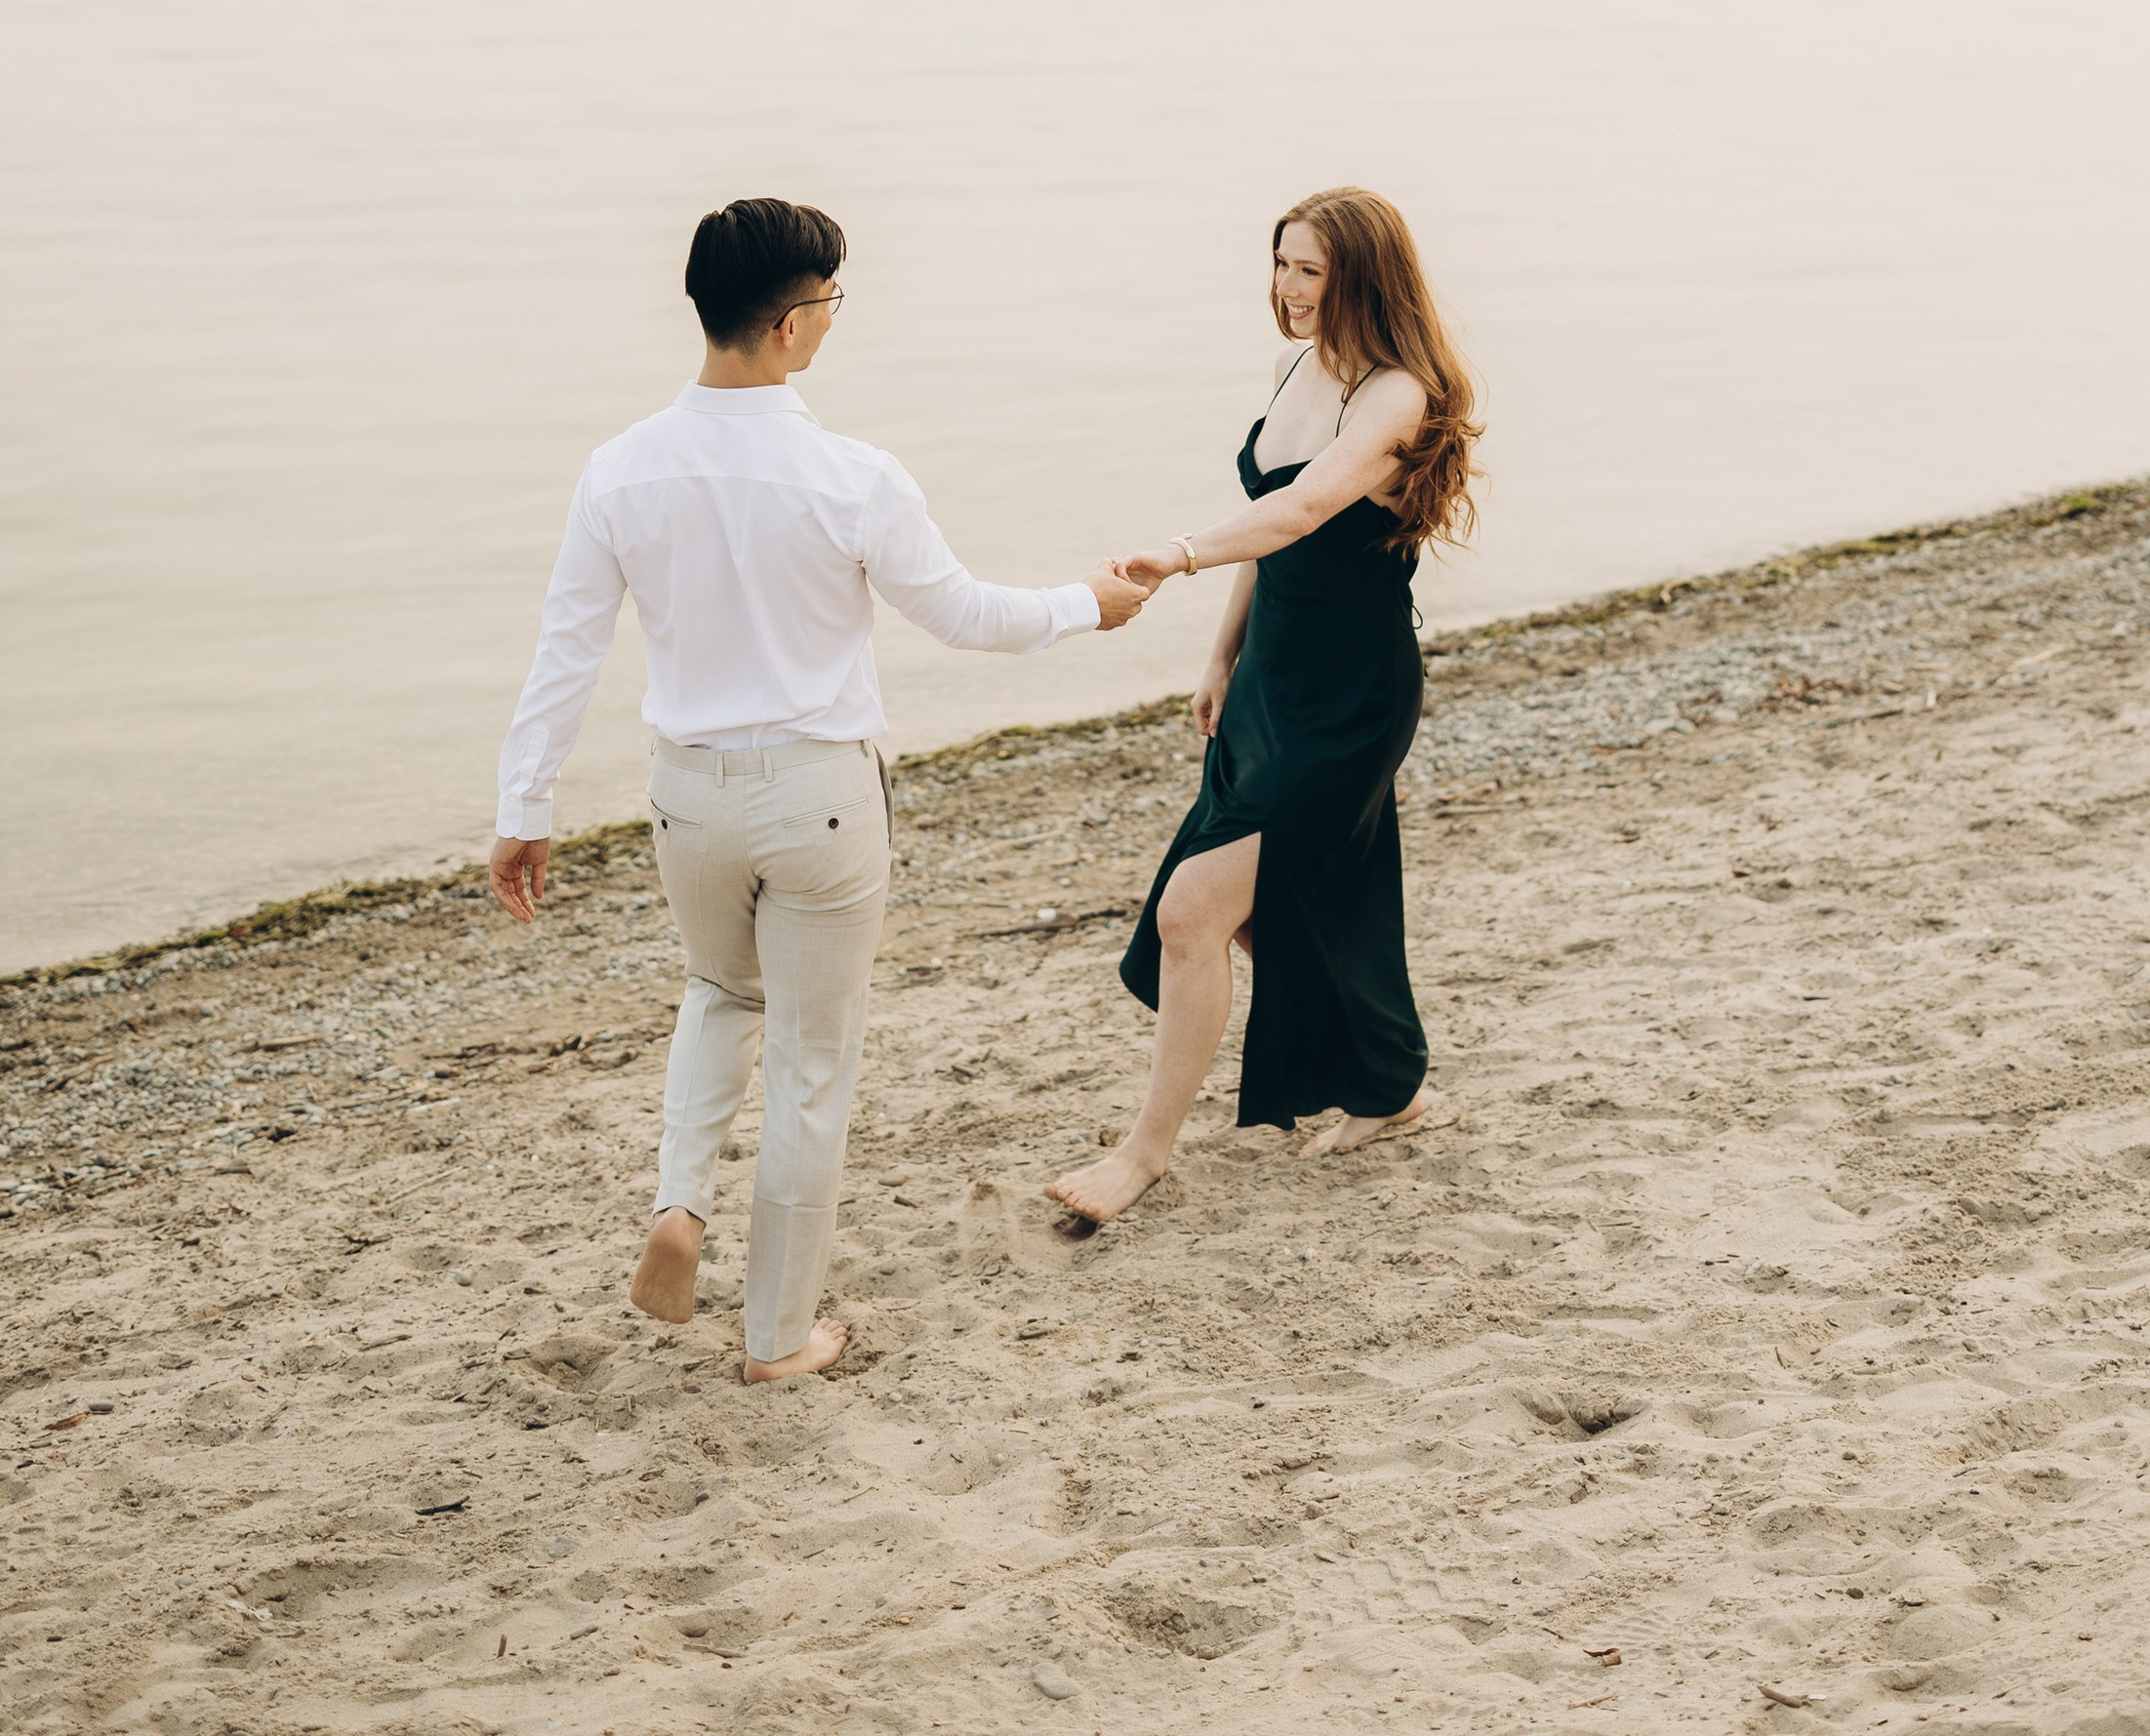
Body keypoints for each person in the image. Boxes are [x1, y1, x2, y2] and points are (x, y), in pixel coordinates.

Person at [488, 195, 1153, 1381]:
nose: (836, 320)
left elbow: (566, 653)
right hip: (819, 799)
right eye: (832, 301)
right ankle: (778, 1340)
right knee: (808, 1062)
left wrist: (522, 809)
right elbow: (965, 615)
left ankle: (680, 1203)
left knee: (717, 991)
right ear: (791, 323)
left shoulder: (620, 470)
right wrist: (1085, 605)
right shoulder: (852, 475)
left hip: (688, 796)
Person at [1044, 186, 1480, 1230]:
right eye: (1281, 264)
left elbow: (1306, 506)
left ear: (1362, 278)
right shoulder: (1298, 367)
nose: (1287, 288)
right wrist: (1222, 656)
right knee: (1283, 908)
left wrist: (1178, 555)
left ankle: (1144, 1156)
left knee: (1194, 910)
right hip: (1271, 677)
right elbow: (1270, 523)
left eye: (1310, 271)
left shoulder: (1396, 395)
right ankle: (1391, 1085)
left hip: (1349, 693)